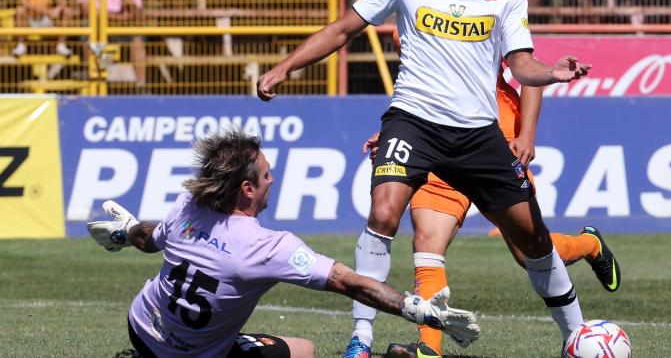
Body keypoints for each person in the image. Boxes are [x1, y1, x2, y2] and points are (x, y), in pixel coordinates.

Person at [258, 0, 592, 357]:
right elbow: (341, 29)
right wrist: (285, 68)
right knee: (383, 214)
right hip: (413, 122)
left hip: (478, 134)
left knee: (533, 241)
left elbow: (521, 65)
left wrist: (551, 73)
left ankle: (577, 338)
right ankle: (361, 338)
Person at [356, 0, 620, 358]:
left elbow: (526, 74)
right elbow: (419, 92)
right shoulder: (409, 17)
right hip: (432, 144)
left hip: (488, 139)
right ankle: (429, 349)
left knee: (528, 250)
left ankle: (588, 246)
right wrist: (390, 134)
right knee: (427, 241)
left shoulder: (485, 5)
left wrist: (526, 135)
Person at [87, 129, 480, 358]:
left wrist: (126, 232)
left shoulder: (189, 204)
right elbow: (349, 282)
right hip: (192, 354)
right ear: (247, 189)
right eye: (266, 174)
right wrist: (421, 310)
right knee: (304, 350)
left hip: (141, 327)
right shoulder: (266, 247)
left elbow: (149, 237)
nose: (272, 179)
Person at [76, 0, 147, 88]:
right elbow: (92, 14)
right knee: (89, 37)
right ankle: (96, 83)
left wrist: (131, 3)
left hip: (123, 34)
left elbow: (141, 18)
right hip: (100, 35)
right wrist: (122, 17)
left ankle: (141, 86)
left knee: (138, 40)